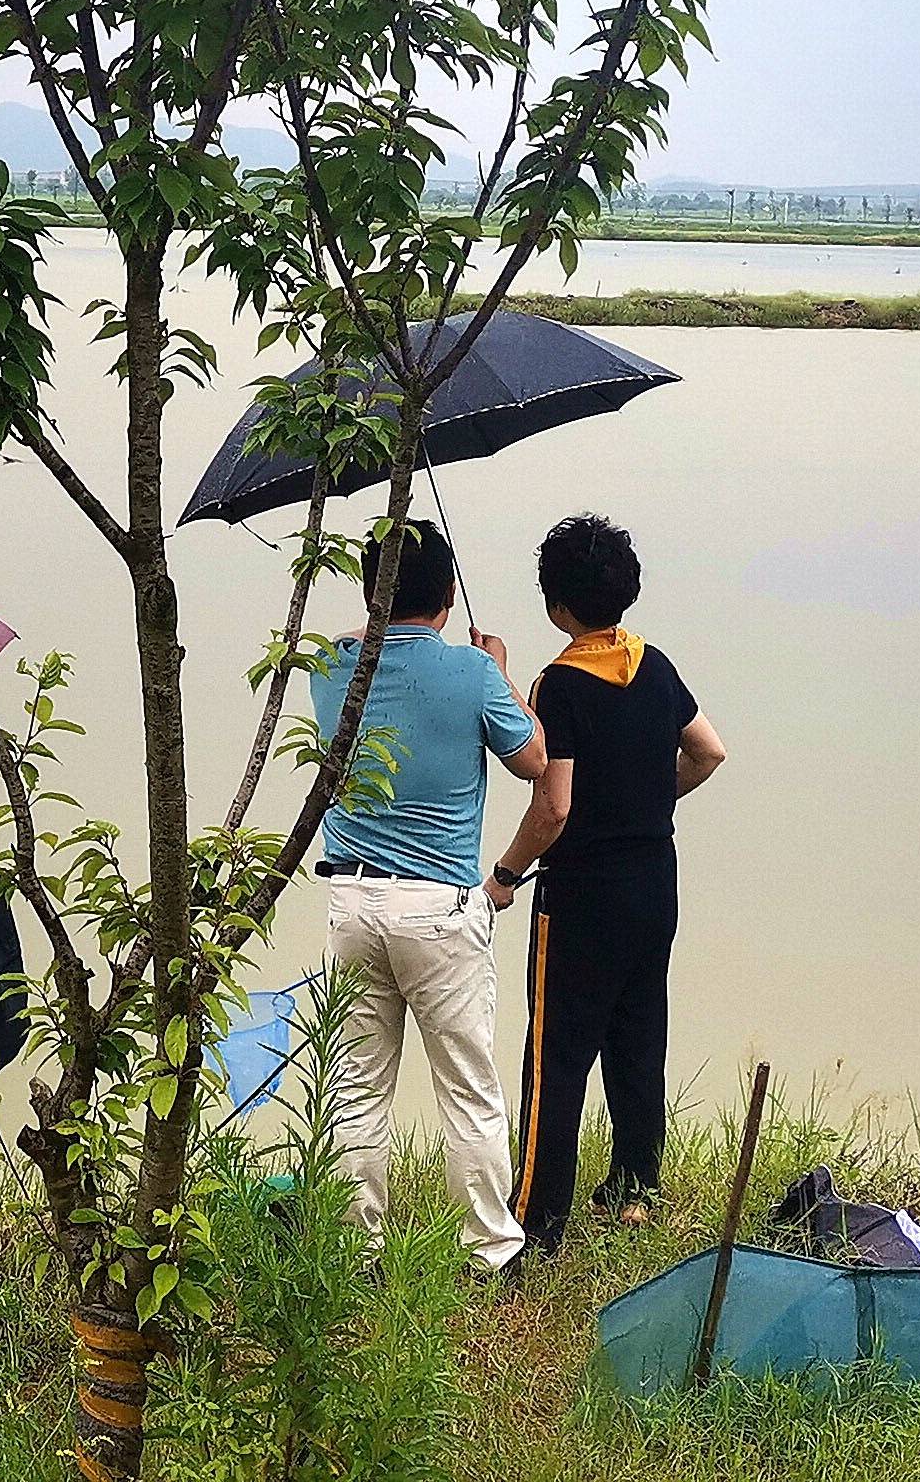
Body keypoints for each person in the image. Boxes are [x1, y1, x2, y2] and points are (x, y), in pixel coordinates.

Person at [305, 518, 551, 1280]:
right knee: (470, 1089)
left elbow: (360, 633)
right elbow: (534, 760)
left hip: (350, 902)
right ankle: (489, 1250)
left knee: (354, 1087)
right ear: (448, 593)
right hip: (439, 910)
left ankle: (355, 1249)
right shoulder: (471, 676)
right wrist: (499, 669)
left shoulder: (326, 666)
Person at [495, 514, 728, 1259]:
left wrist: (504, 875)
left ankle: (536, 1221)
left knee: (557, 1053)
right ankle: (635, 1191)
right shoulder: (653, 665)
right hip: (655, 882)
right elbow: (708, 751)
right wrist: (648, 799)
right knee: (638, 1036)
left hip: (581, 896)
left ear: (556, 605)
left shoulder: (559, 684)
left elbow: (553, 803)